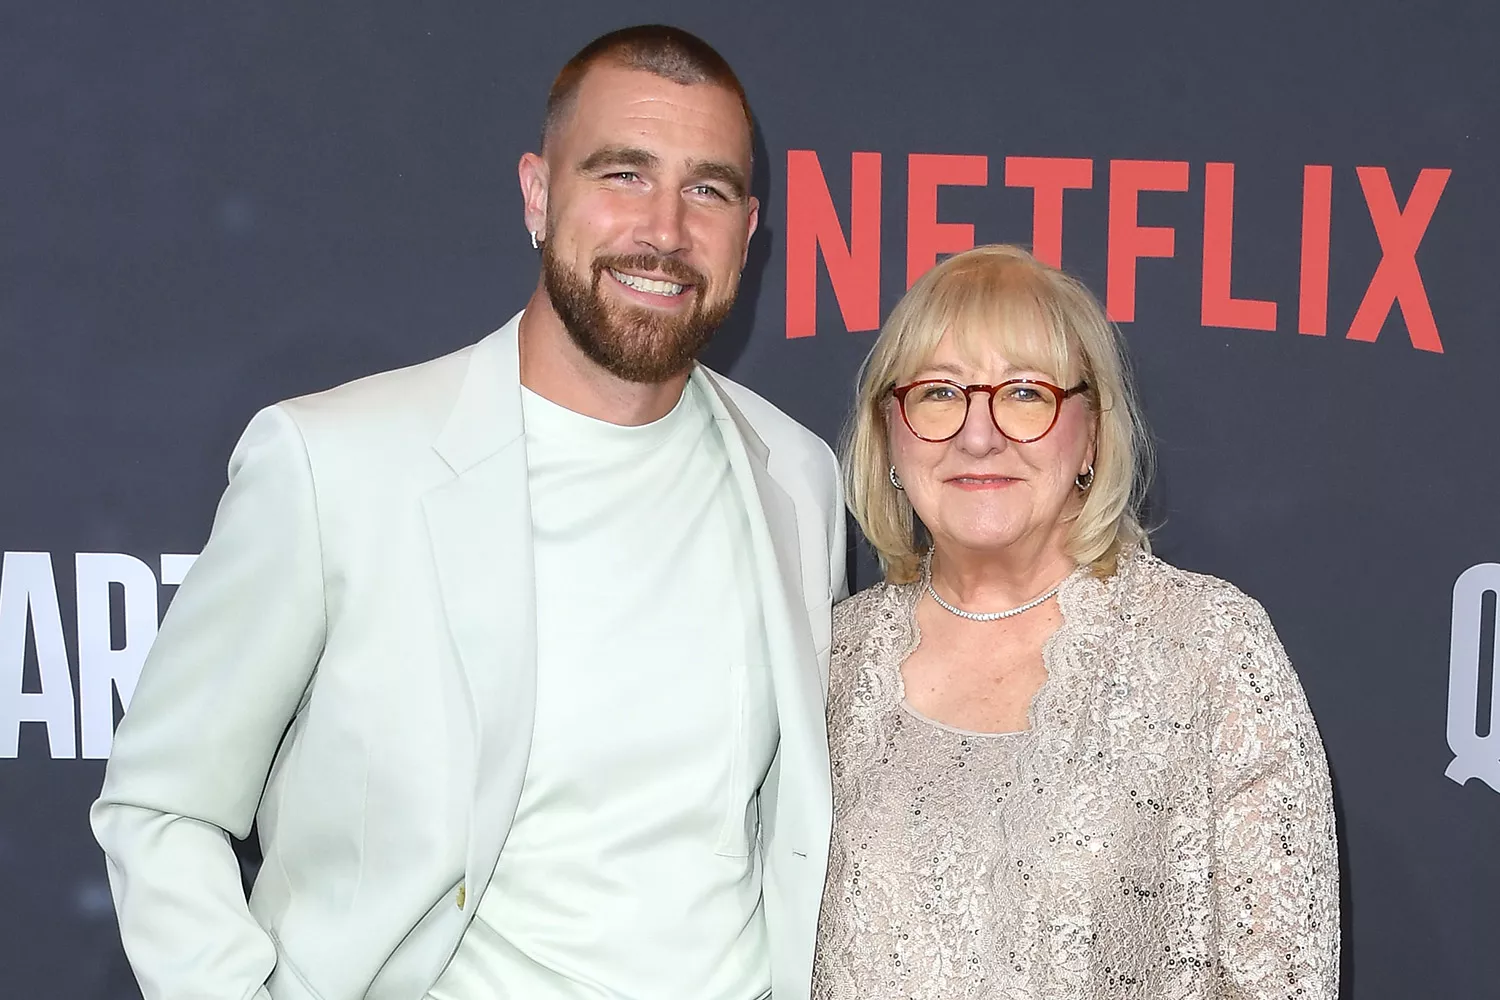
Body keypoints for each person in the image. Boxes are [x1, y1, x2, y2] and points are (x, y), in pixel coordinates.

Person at [92, 25, 845, 1000]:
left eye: (708, 189)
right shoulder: (335, 463)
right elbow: (161, 805)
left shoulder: (798, 475)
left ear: (749, 231)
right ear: (538, 195)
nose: (665, 229)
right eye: (622, 173)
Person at [812, 244, 1338, 999]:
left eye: (1026, 393)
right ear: (891, 435)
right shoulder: (831, 659)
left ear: (1091, 434)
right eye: (938, 393)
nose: (978, 433)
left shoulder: (1210, 649)